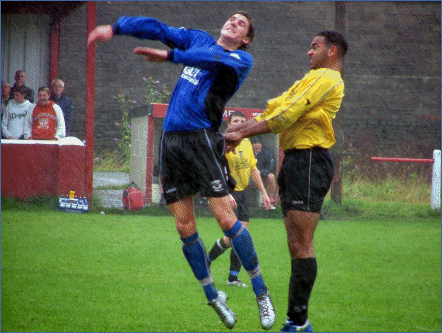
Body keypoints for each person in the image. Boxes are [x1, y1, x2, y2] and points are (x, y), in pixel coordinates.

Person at [87, 12, 275, 330]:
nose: (233, 22)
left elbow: (212, 57)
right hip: (172, 142)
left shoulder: (240, 59)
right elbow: (160, 29)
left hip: (201, 139)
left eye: (242, 24)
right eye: (231, 18)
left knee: (227, 220)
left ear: (246, 39)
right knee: (183, 226)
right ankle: (213, 295)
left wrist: (174, 56)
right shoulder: (198, 38)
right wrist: (117, 28)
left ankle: (261, 292)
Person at [224, 31, 348, 332]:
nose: (309, 52)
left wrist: (240, 133)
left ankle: (299, 322)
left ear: (332, 51)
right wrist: (235, 133)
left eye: (314, 46)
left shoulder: (328, 79)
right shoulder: (309, 78)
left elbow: (287, 115)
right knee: (295, 243)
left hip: (309, 160)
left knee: (303, 243)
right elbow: (274, 110)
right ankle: (296, 321)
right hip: (294, 160)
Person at [207, 111, 271, 288]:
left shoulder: (247, 143)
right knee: (238, 236)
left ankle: (226, 274)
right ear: (228, 124)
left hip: (242, 194)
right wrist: (227, 193)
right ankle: (225, 273)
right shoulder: (221, 143)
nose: (239, 124)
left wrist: (264, 193)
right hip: (227, 193)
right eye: (236, 121)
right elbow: (217, 170)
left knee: (238, 237)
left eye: (243, 122)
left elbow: (253, 170)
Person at [250, 136, 277, 209]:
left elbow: (271, 168)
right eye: (254, 143)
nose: (256, 145)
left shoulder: (268, 152)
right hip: (248, 176)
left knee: (271, 176)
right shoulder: (247, 152)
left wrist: (260, 172)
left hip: (263, 176)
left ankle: (270, 201)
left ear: (261, 144)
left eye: (258, 143)